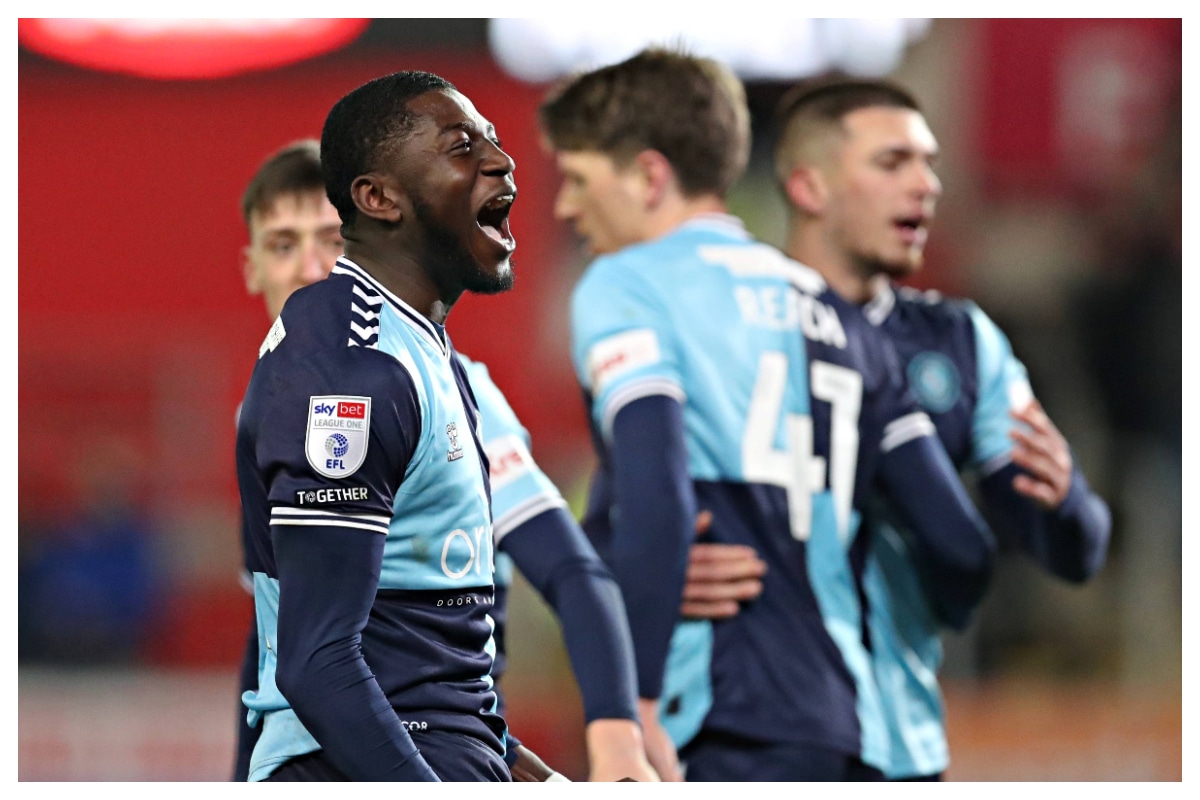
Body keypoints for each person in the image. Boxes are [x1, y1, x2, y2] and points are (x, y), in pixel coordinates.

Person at [538, 48, 996, 781]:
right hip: (850, 732)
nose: (566, 206)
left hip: (718, 722)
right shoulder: (833, 313)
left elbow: (658, 495)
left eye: (579, 178)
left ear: (650, 177)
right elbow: (961, 546)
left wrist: (638, 703)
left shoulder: (627, 285)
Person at [232, 139, 657, 782]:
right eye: (283, 244)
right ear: (252, 267)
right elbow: (275, 655)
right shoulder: (274, 411)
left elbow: (572, 571)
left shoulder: (450, 388)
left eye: (328, 239)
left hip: (435, 747)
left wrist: (616, 738)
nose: (309, 264)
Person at [768, 77, 1112, 780]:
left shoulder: (959, 341)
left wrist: (1067, 500)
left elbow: (1074, 549)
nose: (927, 185)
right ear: (810, 188)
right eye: (893, 164)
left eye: (929, 163)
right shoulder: (738, 328)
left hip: (904, 746)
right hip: (753, 738)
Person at [236, 69, 519, 781]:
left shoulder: (419, 347)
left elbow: (430, 655)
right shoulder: (350, 367)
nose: (499, 159)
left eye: (492, 137)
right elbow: (317, 659)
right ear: (378, 197)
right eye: (461, 145)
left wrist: (518, 767)